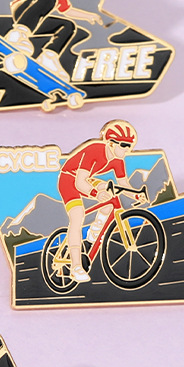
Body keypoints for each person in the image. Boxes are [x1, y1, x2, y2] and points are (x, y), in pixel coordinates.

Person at [57, 121, 143, 284]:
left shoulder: (118, 160)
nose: (128, 150)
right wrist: (96, 193)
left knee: (110, 196)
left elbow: (123, 185)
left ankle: (93, 234)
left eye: (130, 146)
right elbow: (79, 183)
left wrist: (136, 195)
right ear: (110, 143)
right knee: (77, 216)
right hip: (69, 179)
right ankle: (76, 266)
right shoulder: (94, 150)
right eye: (124, 145)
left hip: (87, 179)